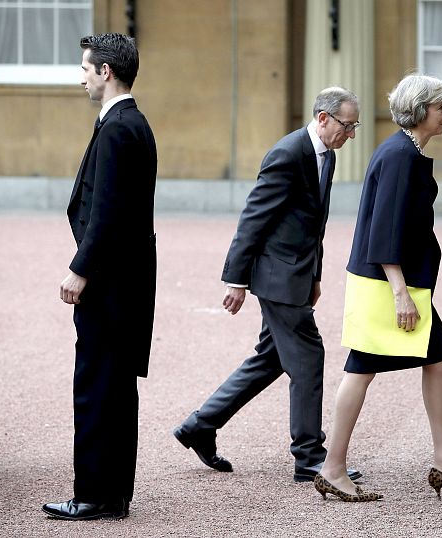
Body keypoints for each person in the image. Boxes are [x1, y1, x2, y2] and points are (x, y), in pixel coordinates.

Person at [314, 74, 442, 502]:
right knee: (361, 368)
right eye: (441, 107)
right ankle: (333, 468)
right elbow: (384, 232)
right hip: (388, 284)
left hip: (396, 282)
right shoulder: (401, 156)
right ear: (420, 111)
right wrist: (399, 292)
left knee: (438, 359)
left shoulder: (404, 152)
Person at [173, 87, 362, 484]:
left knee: (271, 359)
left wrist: (315, 276)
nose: (352, 134)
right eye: (348, 125)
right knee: (309, 358)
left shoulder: (326, 155)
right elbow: (254, 217)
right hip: (276, 277)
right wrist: (235, 279)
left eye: (355, 126)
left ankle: (199, 426)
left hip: (296, 274)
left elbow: (314, 225)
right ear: (323, 118)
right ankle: (309, 456)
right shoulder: (287, 153)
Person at [43, 33, 157, 521]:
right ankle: (111, 494)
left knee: (95, 387)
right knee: (114, 389)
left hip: (110, 283)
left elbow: (108, 214)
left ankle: (94, 494)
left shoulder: (118, 128)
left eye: (86, 67)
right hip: (125, 281)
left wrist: (78, 270)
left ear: (106, 72)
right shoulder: (132, 123)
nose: (82, 76)